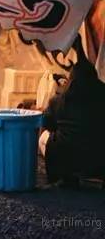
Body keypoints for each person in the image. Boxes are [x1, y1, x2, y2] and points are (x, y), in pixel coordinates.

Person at [40, 52, 105, 185]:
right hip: (98, 158)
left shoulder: (58, 101)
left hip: (66, 159)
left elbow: (47, 124)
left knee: (44, 137)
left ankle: (62, 176)